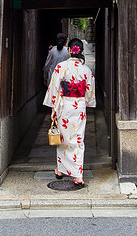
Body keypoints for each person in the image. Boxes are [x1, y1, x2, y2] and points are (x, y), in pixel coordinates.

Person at [43, 37, 95, 189]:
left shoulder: (61, 67)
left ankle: (60, 170)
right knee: (78, 139)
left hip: (64, 105)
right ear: (81, 51)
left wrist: (54, 108)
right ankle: (78, 175)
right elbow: (89, 92)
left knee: (63, 138)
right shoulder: (86, 70)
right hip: (78, 106)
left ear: (69, 50)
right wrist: (85, 103)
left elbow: (55, 89)